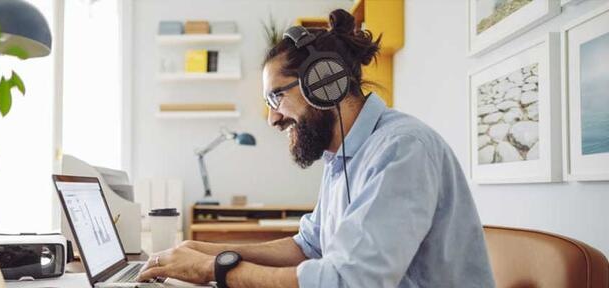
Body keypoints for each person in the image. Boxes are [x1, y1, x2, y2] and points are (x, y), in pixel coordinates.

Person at [138, 9, 495, 288]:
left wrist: (213, 269)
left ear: (324, 82)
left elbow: (351, 282)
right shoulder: (341, 156)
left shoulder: (402, 150)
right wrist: (207, 251)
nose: (272, 119)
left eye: (276, 97)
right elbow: (309, 246)